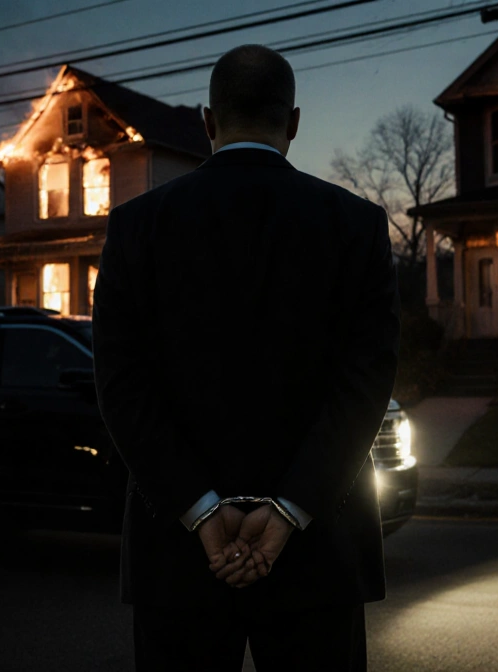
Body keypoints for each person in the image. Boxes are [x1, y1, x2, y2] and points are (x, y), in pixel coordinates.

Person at [92, 44, 400, 671]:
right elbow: (364, 387)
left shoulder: (136, 227)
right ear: (292, 123)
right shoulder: (356, 225)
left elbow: (122, 389)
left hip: (179, 559)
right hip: (320, 558)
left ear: (208, 122)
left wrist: (203, 512)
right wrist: (288, 513)